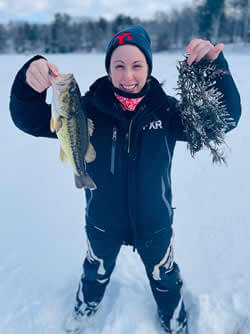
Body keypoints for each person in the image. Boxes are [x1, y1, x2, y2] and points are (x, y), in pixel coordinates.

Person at [9, 25, 241, 334]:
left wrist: (214, 68)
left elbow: (225, 119)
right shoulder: (85, 109)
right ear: (108, 69)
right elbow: (27, 119)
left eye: (137, 65)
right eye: (118, 65)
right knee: (94, 272)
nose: (127, 75)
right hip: (102, 220)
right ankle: (84, 308)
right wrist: (28, 81)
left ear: (148, 68)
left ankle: (174, 318)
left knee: (165, 275)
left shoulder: (169, 113)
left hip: (155, 222)